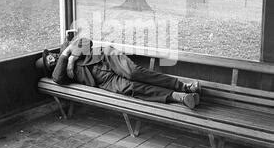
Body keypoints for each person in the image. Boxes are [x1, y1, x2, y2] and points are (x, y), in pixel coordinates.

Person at [36, 37, 201, 109]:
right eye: (49, 63)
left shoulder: (66, 45)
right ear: (50, 68)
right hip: (103, 80)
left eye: (50, 57)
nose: (52, 60)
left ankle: (184, 86)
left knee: (133, 73)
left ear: (51, 53)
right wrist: (66, 57)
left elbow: (87, 42)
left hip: (107, 57)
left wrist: (71, 57)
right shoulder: (58, 72)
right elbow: (58, 79)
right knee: (130, 88)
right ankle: (178, 97)